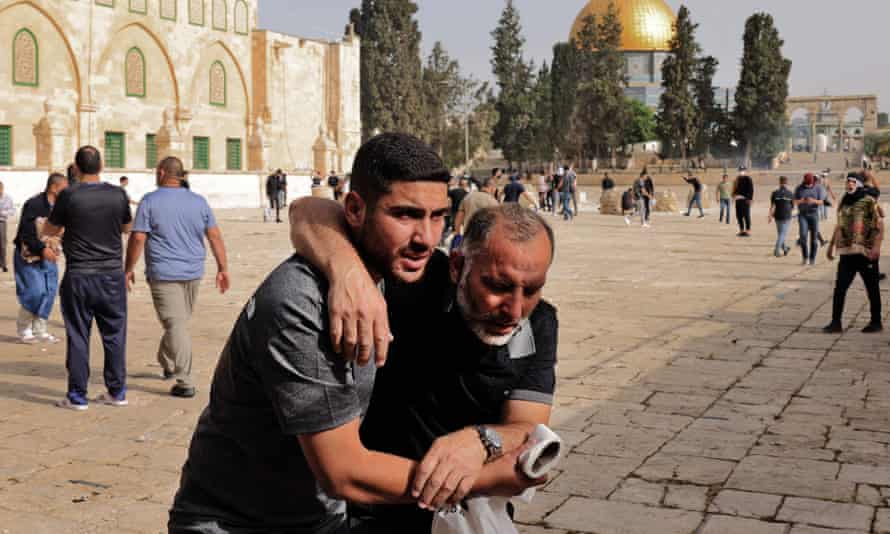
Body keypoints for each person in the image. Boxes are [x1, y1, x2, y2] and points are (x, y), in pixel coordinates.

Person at [169, 133, 539, 534]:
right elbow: (344, 473)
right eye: (405, 215)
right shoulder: (301, 304)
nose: (426, 238)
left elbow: (311, 209)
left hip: (320, 520)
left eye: (438, 217)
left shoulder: (387, 269)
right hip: (237, 523)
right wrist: (484, 480)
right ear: (356, 210)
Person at [289, 202, 558, 533]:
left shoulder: (539, 323)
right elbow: (307, 212)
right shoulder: (416, 281)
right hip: (372, 510)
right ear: (458, 266)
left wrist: (480, 441)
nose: (515, 311)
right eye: (498, 286)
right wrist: (349, 275)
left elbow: (526, 424)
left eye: (531, 289)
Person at [124, 156, 230, 398]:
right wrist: (223, 268)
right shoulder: (199, 201)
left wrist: (127, 268)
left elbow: (138, 238)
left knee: (176, 323)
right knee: (177, 323)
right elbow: (214, 236)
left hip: (164, 272)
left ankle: (183, 379)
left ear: (161, 173)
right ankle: (174, 367)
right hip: (192, 272)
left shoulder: (149, 201)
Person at [43, 146, 133, 410]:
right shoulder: (118, 194)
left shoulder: (69, 195)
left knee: (79, 335)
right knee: (115, 334)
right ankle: (116, 392)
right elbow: (127, 227)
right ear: (101, 165)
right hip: (111, 274)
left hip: (80, 274)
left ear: (76, 167)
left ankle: (77, 396)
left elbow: (50, 228)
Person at [824, 175, 884, 334]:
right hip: (847, 253)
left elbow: (880, 224)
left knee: (872, 288)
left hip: (865, 253)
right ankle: (835, 323)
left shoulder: (868, 201)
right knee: (840, 288)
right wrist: (830, 246)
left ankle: (876, 322)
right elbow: (839, 225)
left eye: (853, 182)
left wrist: (876, 247)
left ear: (858, 184)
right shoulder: (844, 202)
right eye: (847, 181)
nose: (849, 184)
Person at [13, 173, 67, 343]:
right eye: (64, 188)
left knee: (50, 292)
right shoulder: (34, 204)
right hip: (29, 256)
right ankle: (24, 328)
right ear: (54, 187)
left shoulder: (63, 207)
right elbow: (26, 233)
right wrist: (43, 249)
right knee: (35, 292)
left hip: (51, 256)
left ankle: (40, 330)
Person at [453, 177, 499, 245]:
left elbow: (459, 217)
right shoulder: (493, 202)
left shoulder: (468, 197)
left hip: (468, 236)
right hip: (484, 239)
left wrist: (457, 234)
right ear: (492, 187)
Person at [794, 173, 826, 266]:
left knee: (814, 239)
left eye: (810, 184)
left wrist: (813, 201)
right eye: (806, 184)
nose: (808, 185)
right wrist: (802, 200)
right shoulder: (799, 188)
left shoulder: (818, 188)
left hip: (814, 214)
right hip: (802, 215)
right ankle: (805, 257)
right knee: (803, 237)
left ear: (813, 182)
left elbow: (821, 201)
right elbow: (794, 201)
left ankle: (812, 258)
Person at [768, 176, 794, 257]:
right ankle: (776, 250)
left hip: (777, 216)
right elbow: (792, 206)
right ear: (787, 182)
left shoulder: (774, 193)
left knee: (780, 233)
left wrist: (770, 216)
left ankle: (785, 248)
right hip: (786, 216)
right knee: (782, 234)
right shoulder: (790, 193)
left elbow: (772, 206)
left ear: (779, 182)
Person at [734, 171, 755, 237]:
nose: (741, 172)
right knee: (739, 216)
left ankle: (747, 230)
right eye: (740, 170)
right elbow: (735, 188)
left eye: (742, 170)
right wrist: (734, 195)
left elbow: (751, 189)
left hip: (745, 200)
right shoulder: (737, 179)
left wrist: (750, 199)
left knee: (746, 215)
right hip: (738, 199)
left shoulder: (748, 179)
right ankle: (741, 230)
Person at [0, 181, 14, 272]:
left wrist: (3, 213)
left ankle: (3, 264)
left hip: (2, 222)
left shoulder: (7, 198)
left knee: (2, 244)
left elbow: (12, 210)